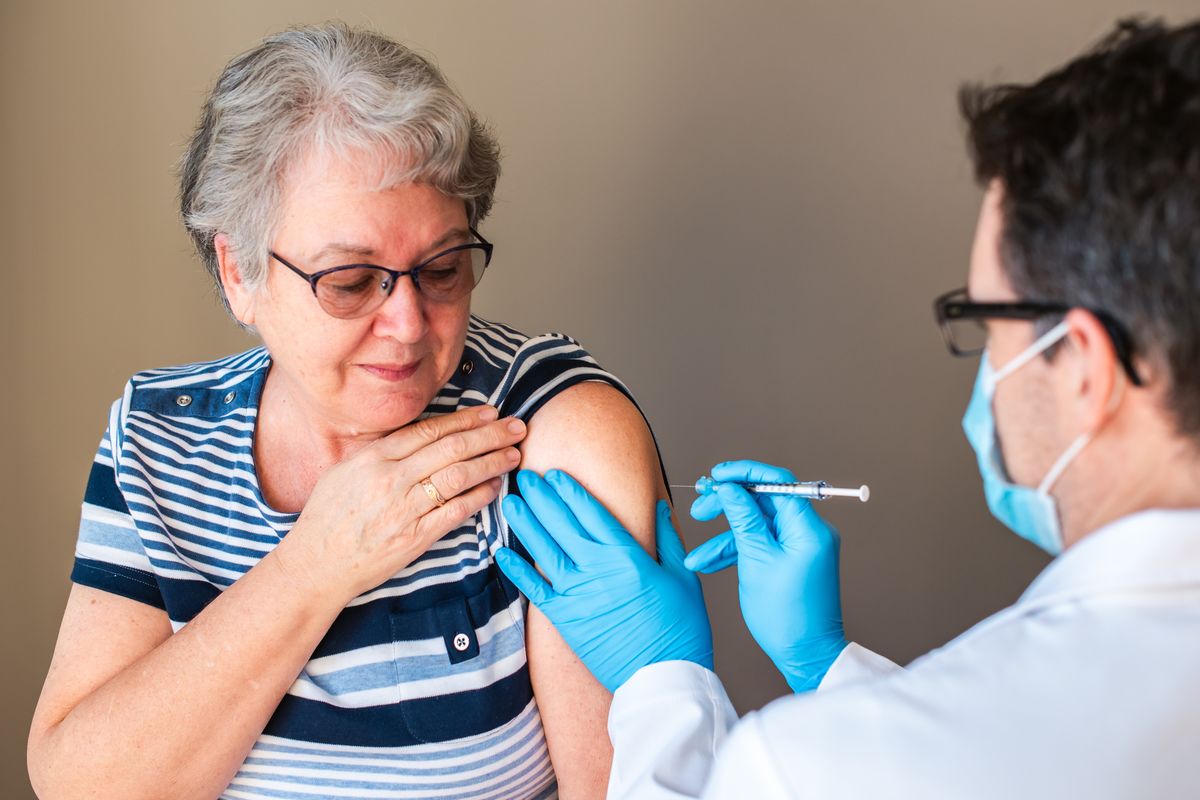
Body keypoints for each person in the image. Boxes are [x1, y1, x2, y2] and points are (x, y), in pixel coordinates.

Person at [494, 18, 1200, 799]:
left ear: (1085, 371)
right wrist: (825, 663)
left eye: (987, 324)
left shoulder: (810, 765)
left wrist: (661, 681)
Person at [27, 23, 669, 800]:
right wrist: (317, 564)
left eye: (442, 268)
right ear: (240, 272)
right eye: (350, 279)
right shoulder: (160, 436)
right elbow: (79, 784)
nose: (406, 323)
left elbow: (622, 788)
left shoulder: (550, 433)